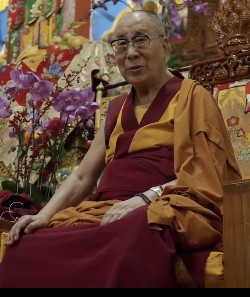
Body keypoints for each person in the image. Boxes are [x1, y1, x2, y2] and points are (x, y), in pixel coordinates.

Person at [0, 10, 241, 288]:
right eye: (121, 44)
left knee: (139, 228)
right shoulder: (116, 109)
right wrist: (42, 215)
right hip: (107, 207)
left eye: (140, 40)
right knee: (26, 244)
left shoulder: (193, 96)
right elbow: (81, 178)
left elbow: (205, 172)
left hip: (165, 204)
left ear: (164, 45)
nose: (131, 53)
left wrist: (144, 198)